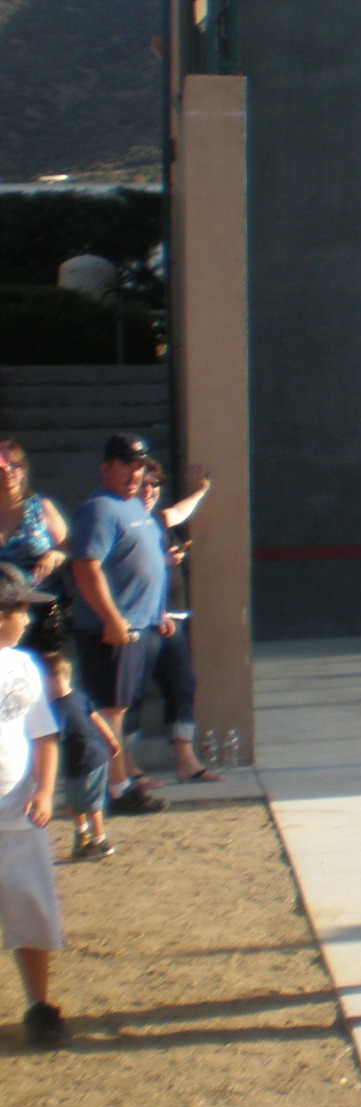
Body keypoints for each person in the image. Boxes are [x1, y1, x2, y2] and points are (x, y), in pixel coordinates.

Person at [67, 434, 167, 816]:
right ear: (106, 467)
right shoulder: (100, 509)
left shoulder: (133, 506)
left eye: (140, 466)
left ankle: (122, 783)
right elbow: (85, 568)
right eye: (127, 464)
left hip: (138, 625)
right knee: (110, 712)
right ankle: (117, 788)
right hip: (109, 629)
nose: (135, 473)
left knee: (119, 709)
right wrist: (112, 619)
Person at [0, 563, 67, 1047]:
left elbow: (44, 735)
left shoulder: (23, 666)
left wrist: (44, 791)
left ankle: (40, 1005)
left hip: (21, 817)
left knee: (33, 913)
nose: (27, 619)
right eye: (21, 609)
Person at [139, 460, 218, 782]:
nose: (149, 491)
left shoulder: (157, 520)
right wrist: (161, 561)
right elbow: (122, 571)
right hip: (143, 621)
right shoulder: (124, 523)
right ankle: (125, 768)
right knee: (130, 694)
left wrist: (201, 491)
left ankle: (185, 759)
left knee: (183, 684)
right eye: (143, 484)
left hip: (172, 619)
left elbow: (179, 512)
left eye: (154, 485)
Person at [0, 438, 71, 655]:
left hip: (42, 611)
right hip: (4, 615)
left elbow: (69, 550)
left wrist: (54, 556)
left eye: (15, 465)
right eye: (2, 466)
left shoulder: (41, 507)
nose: (9, 472)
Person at [49, 652, 116, 860]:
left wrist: (111, 740)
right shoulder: (57, 705)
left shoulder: (69, 702)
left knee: (92, 803)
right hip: (73, 763)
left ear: (60, 677)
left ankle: (99, 838)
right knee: (74, 802)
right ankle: (82, 835)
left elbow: (95, 719)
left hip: (92, 758)